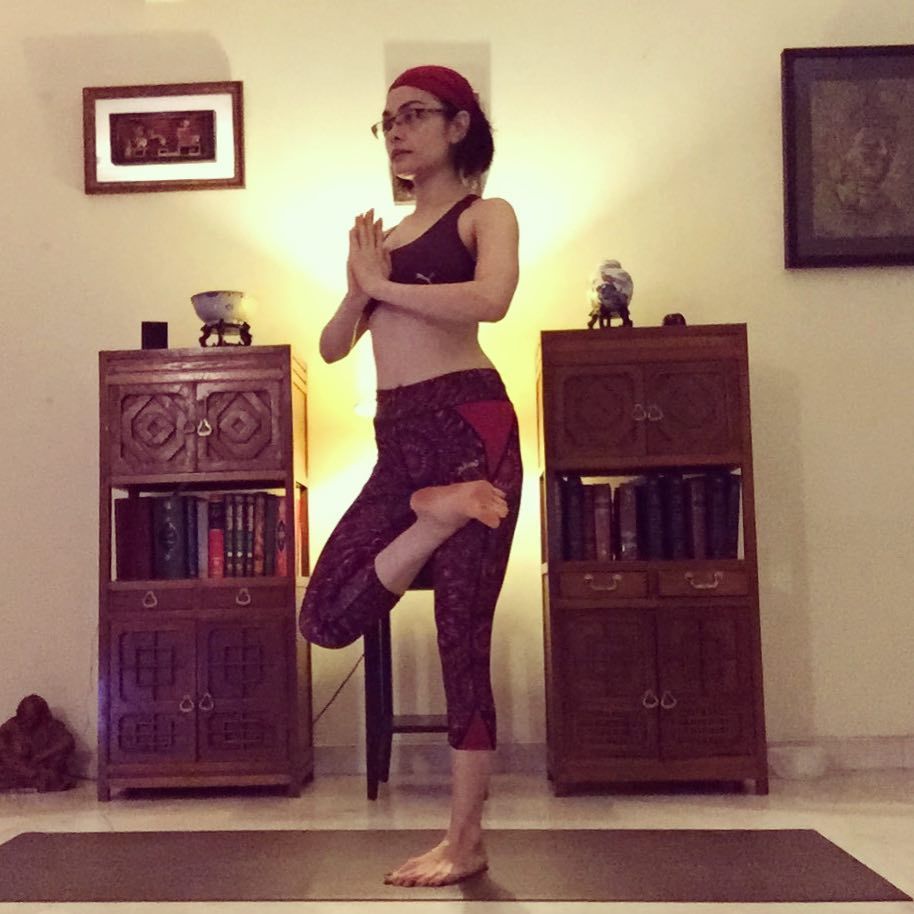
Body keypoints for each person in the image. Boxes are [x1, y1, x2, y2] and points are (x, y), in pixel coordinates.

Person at [299, 65, 522, 887]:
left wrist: (385, 284)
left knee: (462, 637)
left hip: (469, 430)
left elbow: (493, 300)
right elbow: (332, 346)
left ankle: (465, 841)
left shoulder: (484, 214)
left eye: (413, 115)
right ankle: (435, 516)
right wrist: (359, 288)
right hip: (402, 448)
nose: (395, 131)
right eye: (386, 120)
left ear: (459, 126)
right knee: (324, 615)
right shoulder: (382, 242)